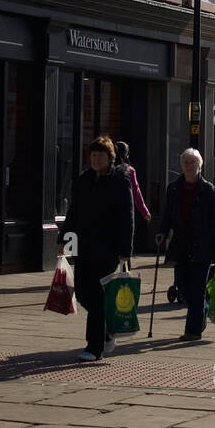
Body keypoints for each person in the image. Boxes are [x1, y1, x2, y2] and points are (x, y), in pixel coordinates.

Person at [59, 137, 135, 361]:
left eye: (101, 155)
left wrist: (125, 249)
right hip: (85, 245)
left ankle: (94, 348)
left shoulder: (120, 180)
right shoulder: (84, 180)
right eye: (93, 155)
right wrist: (63, 237)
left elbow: (127, 216)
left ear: (110, 157)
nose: (96, 159)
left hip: (109, 248)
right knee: (82, 292)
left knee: (99, 296)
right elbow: (74, 211)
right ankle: (108, 330)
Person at [155, 148, 215, 342]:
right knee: (184, 287)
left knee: (197, 289)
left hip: (202, 246)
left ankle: (193, 331)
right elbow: (168, 213)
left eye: (192, 162)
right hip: (181, 245)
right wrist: (162, 231)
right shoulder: (174, 188)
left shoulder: (209, 190)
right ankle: (202, 309)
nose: (188, 165)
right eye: (186, 161)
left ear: (199, 165)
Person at [113, 140, 151, 223]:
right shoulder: (129, 170)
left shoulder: (109, 169)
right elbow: (136, 193)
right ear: (126, 154)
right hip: (123, 210)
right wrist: (145, 212)